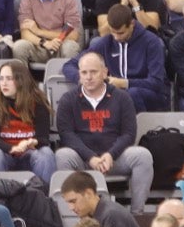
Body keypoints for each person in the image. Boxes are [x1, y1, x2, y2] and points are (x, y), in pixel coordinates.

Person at [54, 51, 154, 212]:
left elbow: (128, 134)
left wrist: (110, 154)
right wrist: (91, 157)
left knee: (142, 156)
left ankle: (137, 214)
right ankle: (73, 214)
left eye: (93, 72)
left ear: (105, 72)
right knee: (63, 155)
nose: (88, 77)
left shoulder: (122, 97)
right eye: (84, 72)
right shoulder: (68, 99)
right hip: (83, 159)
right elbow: (66, 135)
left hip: (114, 158)